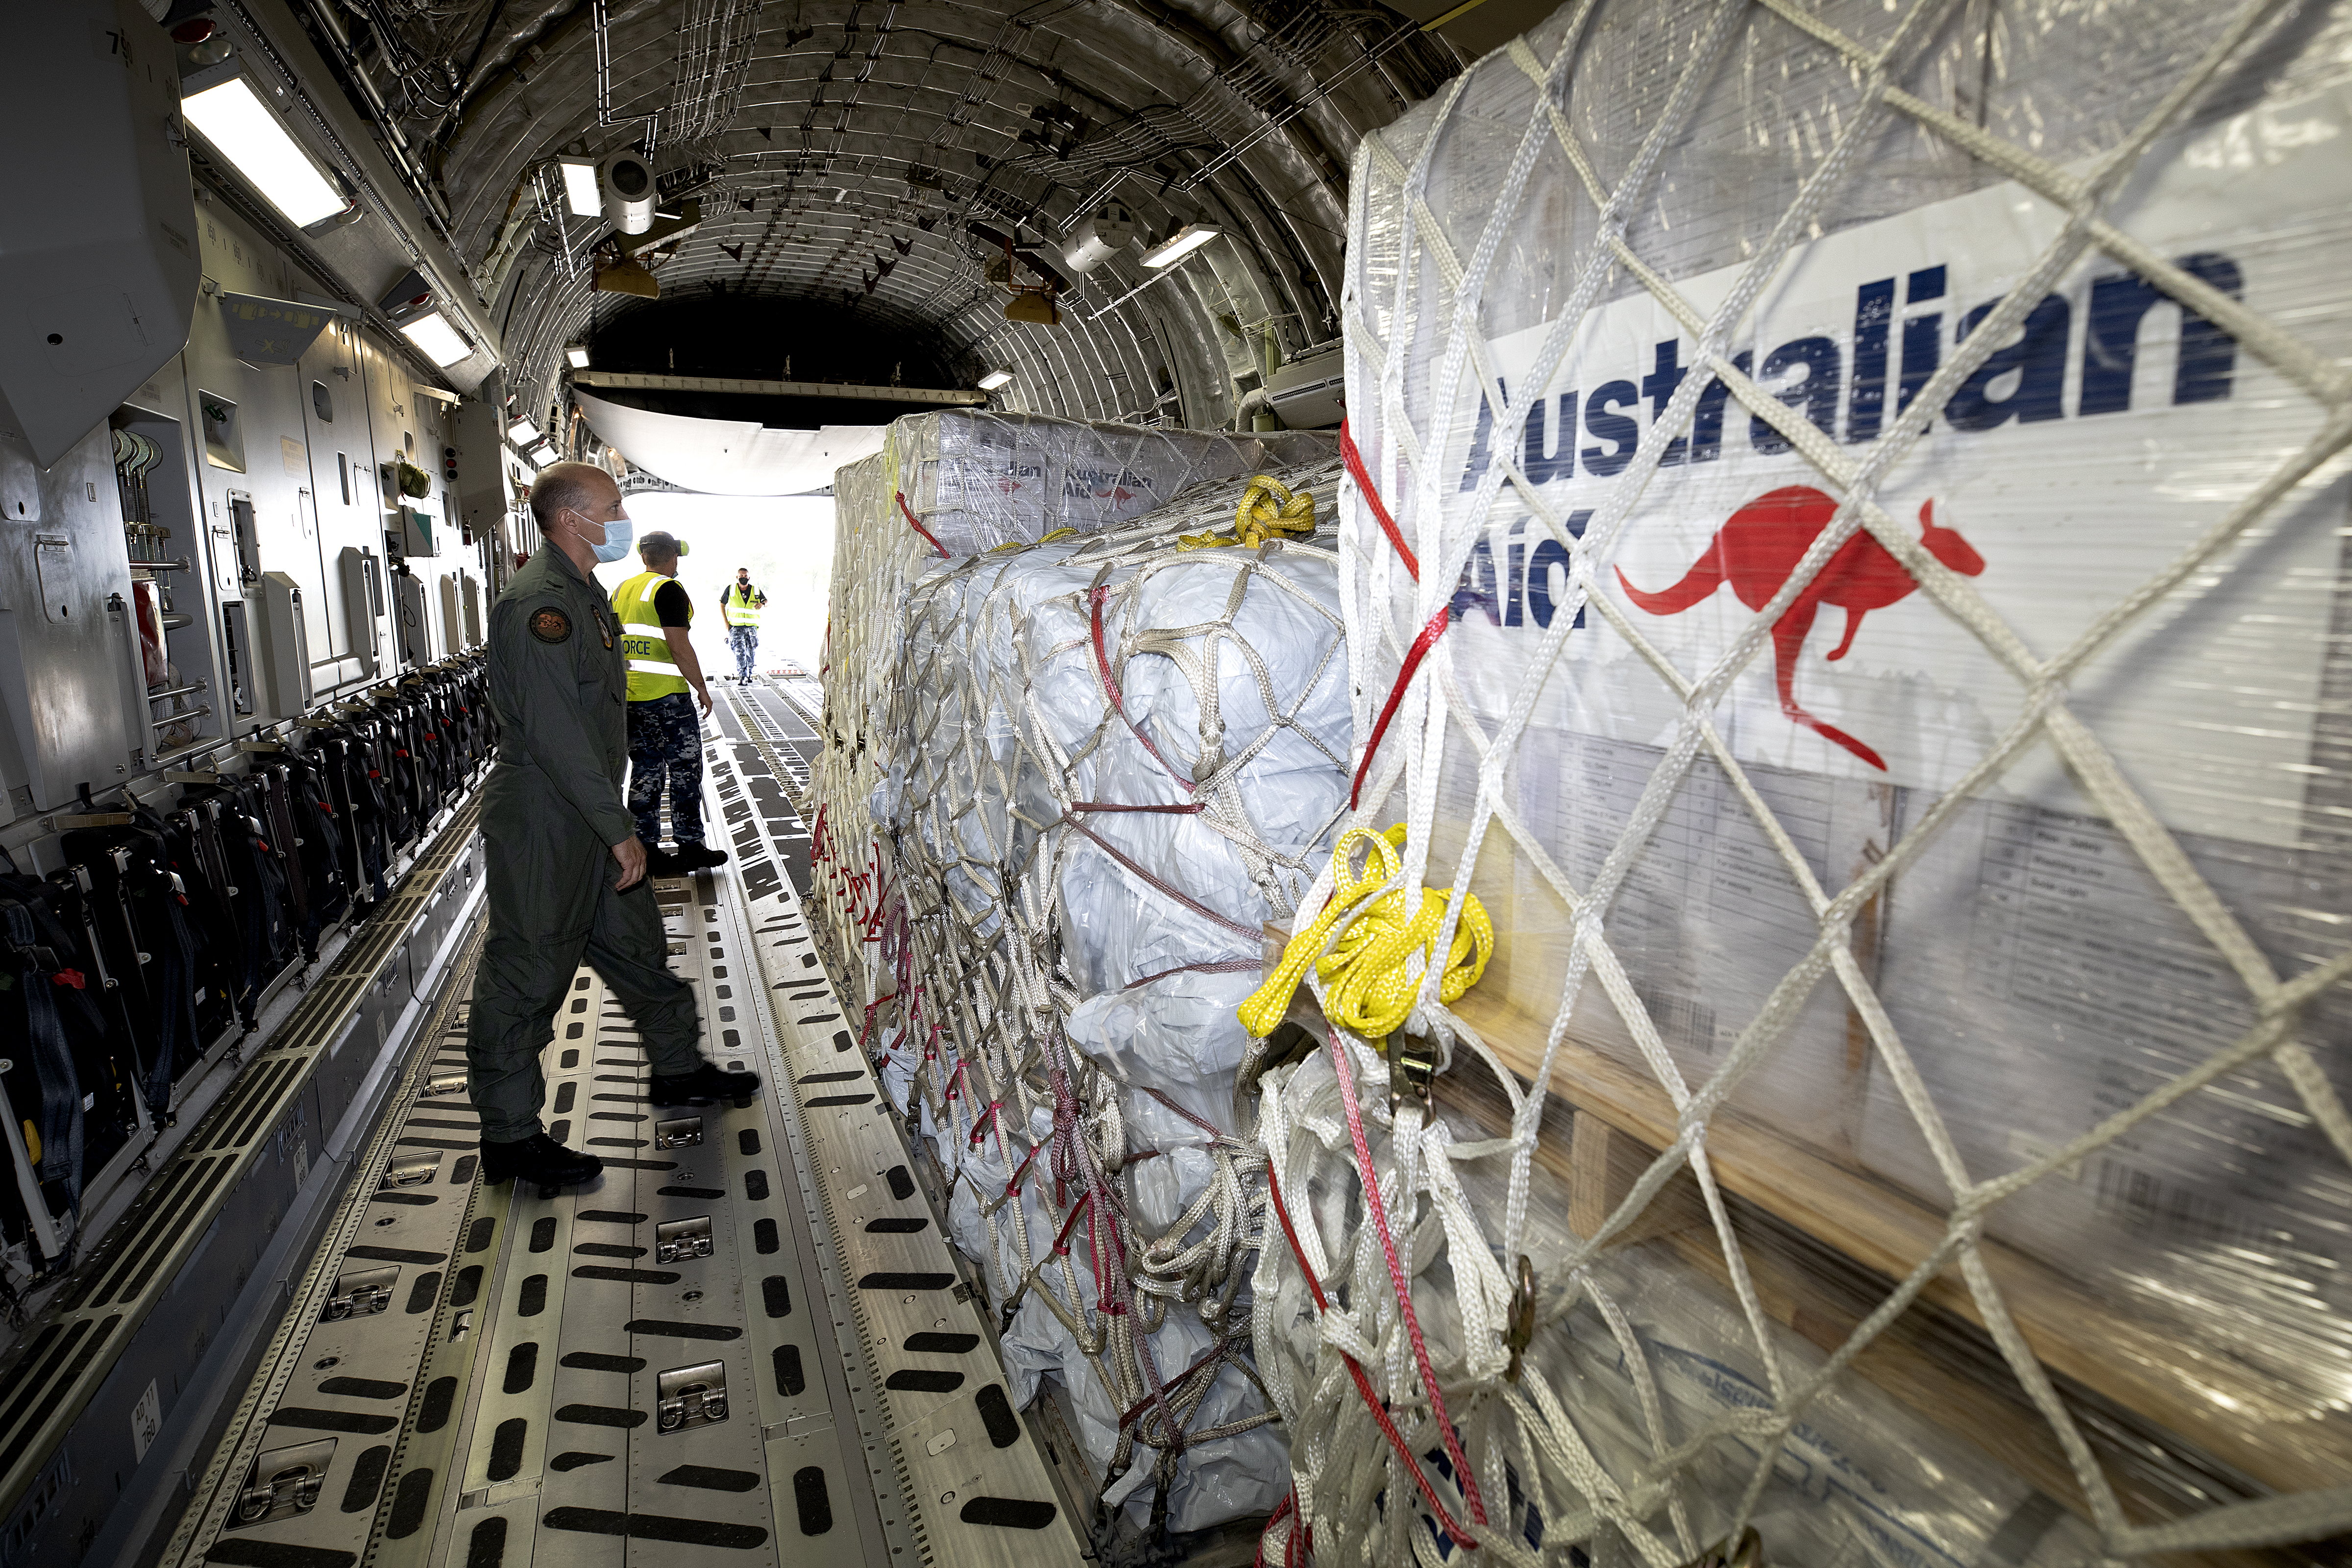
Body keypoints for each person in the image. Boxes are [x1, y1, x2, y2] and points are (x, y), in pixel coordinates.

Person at [468, 462, 758, 1189]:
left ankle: (678, 1069)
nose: (623, 517)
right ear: (572, 520)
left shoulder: (586, 594)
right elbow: (558, 732)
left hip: (589, 811)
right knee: (529, 971)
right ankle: (510, 1139)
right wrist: (618, 827)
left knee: (637, 947)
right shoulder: (541, 607)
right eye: (613, 506)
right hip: (550, 819)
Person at [613, 531, 727, 876]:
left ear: (643, 556)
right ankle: (690, 846)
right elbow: (679, 647)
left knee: (645, 772)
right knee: (685, 770)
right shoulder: (668, 589)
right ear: (672, 558)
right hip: (667, 698)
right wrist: (702, 688)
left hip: (632, 698)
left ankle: (647, 850)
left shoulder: (621, 591)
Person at [721, 566, 767, 682]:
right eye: (741, 576)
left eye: (745, 576)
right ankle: (742, 675)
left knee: (751, 651)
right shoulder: (731, 589)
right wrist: (726, 623)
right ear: (737, 577)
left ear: (749, 577)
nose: (743, 578)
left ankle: (749, 673)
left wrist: (762, 604)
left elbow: (766, 601)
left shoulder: (756, 590)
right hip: (736, 627)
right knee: (739, 651)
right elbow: (722, 605)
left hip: (751, 628)